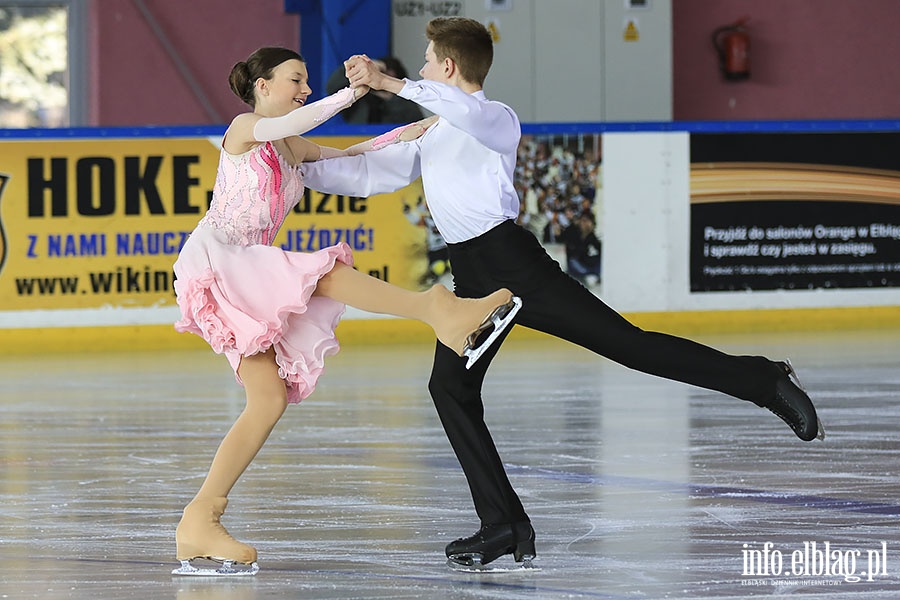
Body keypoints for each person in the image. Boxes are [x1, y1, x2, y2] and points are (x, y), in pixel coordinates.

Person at [300, 17, 824, 571]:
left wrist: (393, 83)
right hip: (471, 277)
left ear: (449, 67)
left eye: (429, 60)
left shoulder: (495, 119)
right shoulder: (434, 130)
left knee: (631, 346)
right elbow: (368, 175)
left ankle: (763, 380)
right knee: (449, 388)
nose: (424, 67)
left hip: (514, 268)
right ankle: (503, 526)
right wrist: (296, 169)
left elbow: (468, 112)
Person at [170, 46, 521, 577]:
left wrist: (406, 134)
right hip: (222, 261)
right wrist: (355, 91)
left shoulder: (288, 142)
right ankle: (438, 309)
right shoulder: (246, 127)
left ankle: (200, 520)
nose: (304, 88)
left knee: (266, 402)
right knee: (321, 273)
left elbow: (345, 155)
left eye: (307, 80)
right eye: (296, 79)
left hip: (246, 267)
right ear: (263, 86)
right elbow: (300, 118)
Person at [561, 210, 602, 285]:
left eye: (587, 221)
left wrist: (588, 235)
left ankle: (592, 274)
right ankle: (590, 274)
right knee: (574, 262)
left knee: (600, 261)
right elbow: (573, 253)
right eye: (583, 221)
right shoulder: (573, 232)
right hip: (575, 262)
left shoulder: (591, 236)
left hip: (586, 263)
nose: (584, 224)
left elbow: (600, 250)